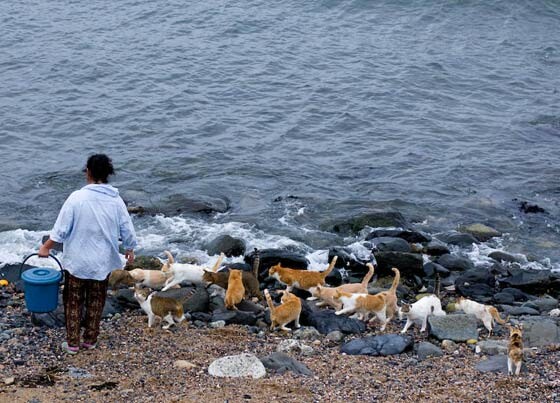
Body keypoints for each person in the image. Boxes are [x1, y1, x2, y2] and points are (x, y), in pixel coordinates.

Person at [39, 154, 137, 355]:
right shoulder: (115, 200)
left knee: (73, 301)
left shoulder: (77, 198)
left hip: (78, 261)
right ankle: (90, 339)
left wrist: (46, 247)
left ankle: (73, 343)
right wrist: (129, 248)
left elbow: (61, 230)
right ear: (108, 174)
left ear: (88, 172)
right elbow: (127, 228)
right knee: (96, 300)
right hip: (102, 262)